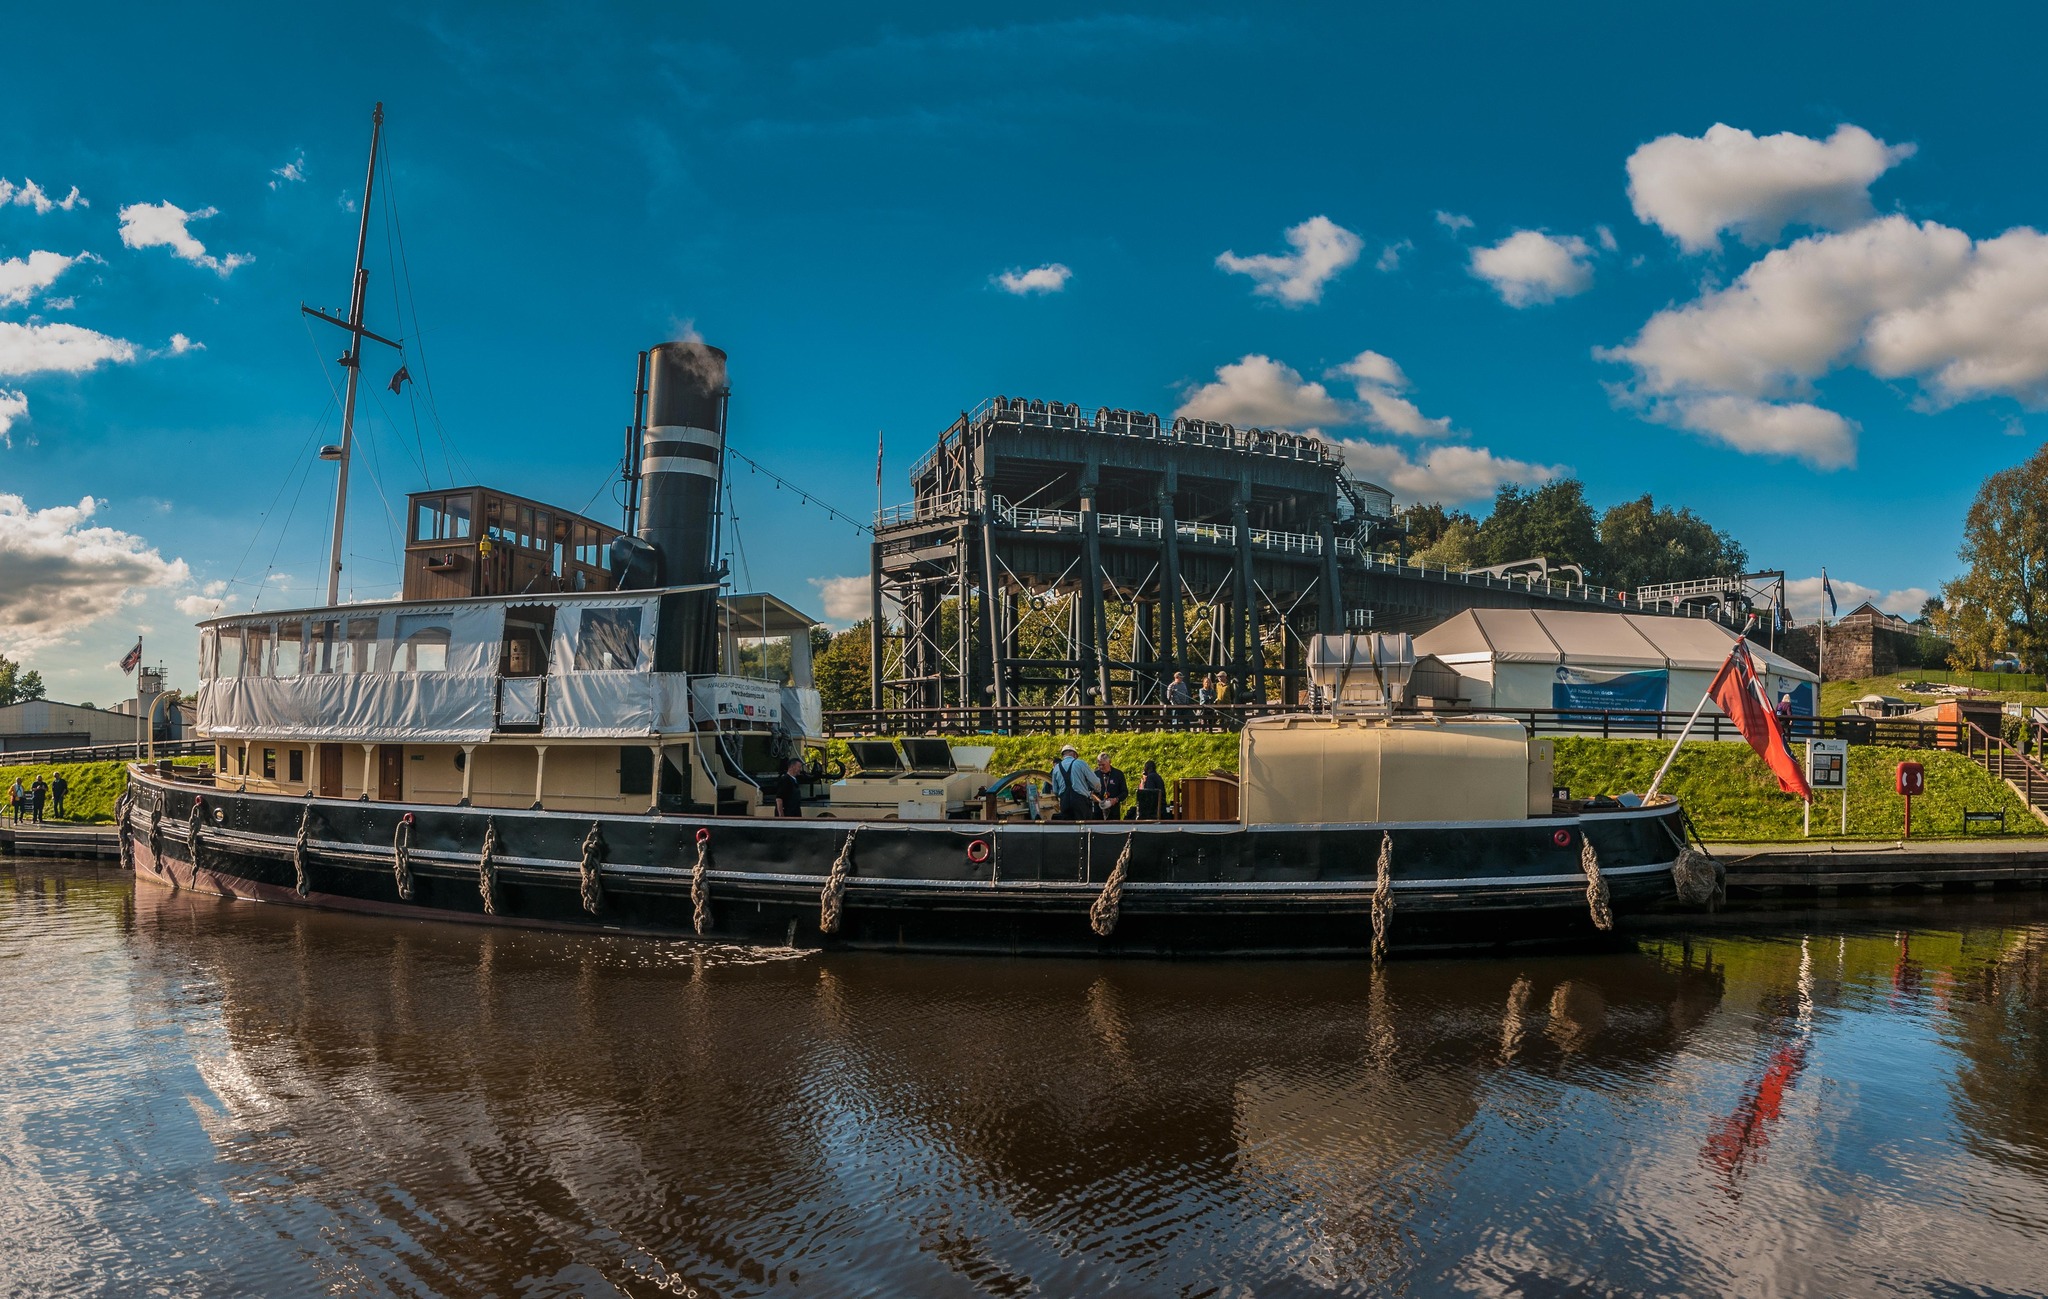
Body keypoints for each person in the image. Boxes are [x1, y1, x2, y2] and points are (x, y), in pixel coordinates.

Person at [1050, 743, 1102, 820]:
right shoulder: (1080, 763)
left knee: (1068, 827)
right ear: (1074, 754)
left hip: (1064, 803)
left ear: (1063, 755)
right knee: (1083, 827)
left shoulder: (1056, 768)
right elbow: (1096, 782)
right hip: (1080, 802)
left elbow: (1055, 790)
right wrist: (1097, 790)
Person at [1095, 751, 1128, 819]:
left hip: (1113, 812)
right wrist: (1097, 800)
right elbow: (1090, 792)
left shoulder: (1118, 774)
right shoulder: (1095, 774)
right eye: (1099, 765)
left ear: (1109, 762)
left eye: (1103, 765)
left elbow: (1125, 792)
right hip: (1098, 812)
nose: (1101, 767)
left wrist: (1115, 799)